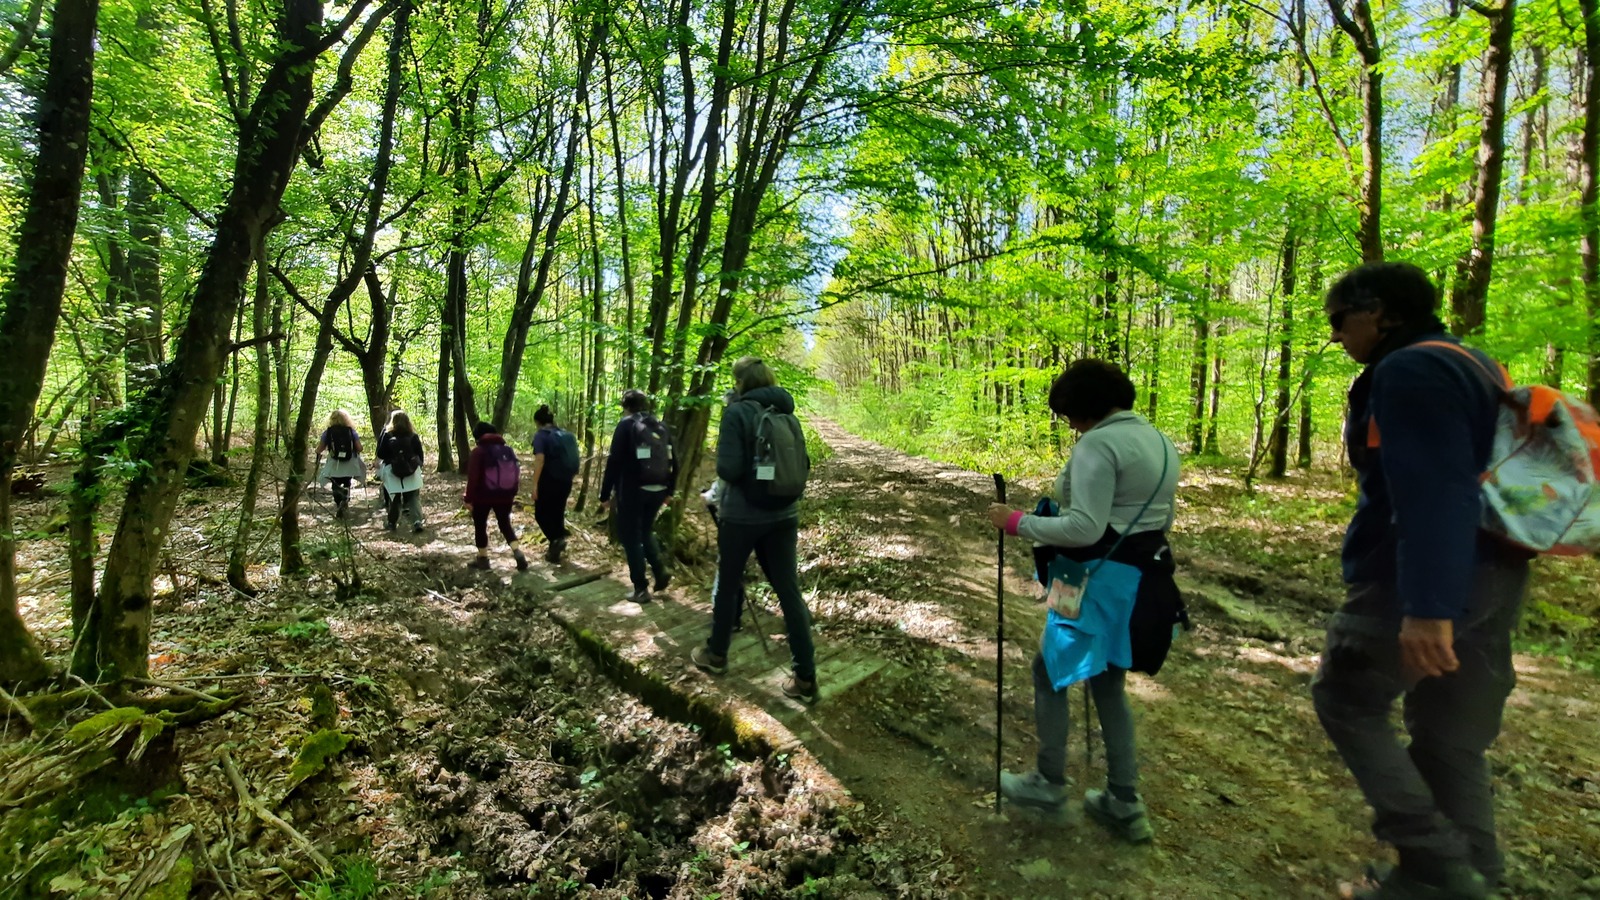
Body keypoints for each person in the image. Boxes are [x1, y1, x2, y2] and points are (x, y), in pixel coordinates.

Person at [1312, 262, 1529, 900]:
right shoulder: (1477, 364)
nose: (1335, 335)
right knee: (1448, 733)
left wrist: (1429, 607)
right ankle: (1472, 872)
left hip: (1423, 577)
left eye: (1339, 319)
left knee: (1347, 698)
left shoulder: (1410, 369)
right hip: (1497, 571)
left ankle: (1434, 863)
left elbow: (1436, 488)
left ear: (1378, 312)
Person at [985, 359, 1184, 842]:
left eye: (1069, 414)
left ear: (1086, 406)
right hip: (1136, 580)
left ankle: (1048, 782)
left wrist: (1016, 522)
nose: (1070, 424)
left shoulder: (1098, 444)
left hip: (1086, 578)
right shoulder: (1160, 442)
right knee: (1108, 683)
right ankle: (1123, 800)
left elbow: (1085, 528)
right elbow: (1161, 520)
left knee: (1048, 672)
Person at [691, 357, 818, 703]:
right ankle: (805, 677)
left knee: (728, 583)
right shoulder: (787, 413)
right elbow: (803, 464)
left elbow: (728, 470)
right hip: (784, 513)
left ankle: (717, 654)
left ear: (741, 382)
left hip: (742, 517)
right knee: (788, 591)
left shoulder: (737, 412)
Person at [598, 390, 675, 602]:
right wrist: (670, 490)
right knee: (645, 530)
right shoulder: (660, 426)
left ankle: (640, 588)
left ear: (625, 406)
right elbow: (673, 459)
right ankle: (660, 571)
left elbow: (614, 461)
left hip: (633, 490)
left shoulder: (626, 425)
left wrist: (605, 494)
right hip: (658, 489)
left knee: (630, 537)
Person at [464, 421, 528, 571]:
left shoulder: (478, 452)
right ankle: (517, 552)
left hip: (483, 496)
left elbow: (473, 478)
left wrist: (468, 499)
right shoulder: (508, 450)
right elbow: (516, 472)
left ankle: (483, 559)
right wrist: (512, 492)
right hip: (505, 494)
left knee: (480, 525)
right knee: (505, 524)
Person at [530, 404, 576, 563]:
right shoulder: (564, 434)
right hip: (566, 481)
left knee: (541, 514)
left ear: (538, 422)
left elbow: (540, 459)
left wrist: (534, 485)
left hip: (548, 481)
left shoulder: (541, 436)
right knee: (557, 513)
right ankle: (555, 550)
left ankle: (557, 540)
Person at [376, 409, 425, 533]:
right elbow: (420, 456)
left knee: (395, 498)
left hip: (392, 471)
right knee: (413, 497)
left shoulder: (387, 435)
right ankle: (417, 521)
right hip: (411, 470)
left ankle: (392, 523)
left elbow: (381, 454)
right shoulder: (413, 436)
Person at [315, 409, 365, 518]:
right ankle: (345, 498)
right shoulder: (351, 431)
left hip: (335, 463)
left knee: (335, 484)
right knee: (347, 481)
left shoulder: (328, 432)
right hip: (349, 462)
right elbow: (359, 448)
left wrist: (317, 453)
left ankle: (339, 502)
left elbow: (320, 449)